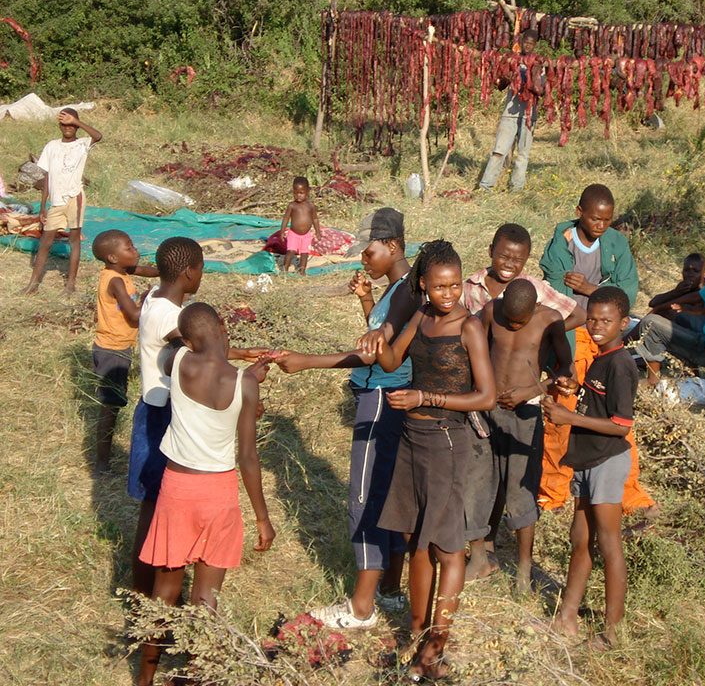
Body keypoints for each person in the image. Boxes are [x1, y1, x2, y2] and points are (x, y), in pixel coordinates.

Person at [275, 207, 418, 628]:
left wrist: (308, 361)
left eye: (368, 252)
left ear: (392, 247)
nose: (363, 260)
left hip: (379, 399)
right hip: (383, 395)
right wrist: (367, 303)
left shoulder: (408, 290)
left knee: (363, 498)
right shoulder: (399, 289)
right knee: (385, 493)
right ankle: (390, 591)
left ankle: (361, 607)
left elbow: (378, 354)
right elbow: (385, 335)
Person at [364, 239, 495, 682]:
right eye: (440, 286)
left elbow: (487, 396)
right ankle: (418, 636)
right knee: (414, 537)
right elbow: (388, 361)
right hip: (411, 437)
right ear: (423, 285)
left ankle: (436, 646)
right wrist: (371, 328)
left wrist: (427, 396)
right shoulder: (420, 315)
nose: (449, 294)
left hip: (447, 440)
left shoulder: (469, 328)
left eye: (455, 285)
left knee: (446, 545)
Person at [136, 303, 275, 686]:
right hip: (219, 494)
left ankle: (145, 677)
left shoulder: (179, 361)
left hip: (177, 489)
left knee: (164, 592)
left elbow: (171, 347)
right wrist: (262, 518)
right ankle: (196, 675)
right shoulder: (245, 383)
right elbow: (248, 457)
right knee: (205, 599)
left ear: (189, 339)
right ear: (222, 326)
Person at [129, 237, 267, 597]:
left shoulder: (153, 300)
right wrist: (245, 378)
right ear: (191, 272)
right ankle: (148, 602)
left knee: (158, 515)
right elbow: (207, 353)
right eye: (203, 267)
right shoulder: (172, 318)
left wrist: (242, 355)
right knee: (157, 521)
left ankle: (153, 603)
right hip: (166, 416)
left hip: (156, 408)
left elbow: (202, 349)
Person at [538, 184, 655, 516]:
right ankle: (552, 490)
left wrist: (591, 288)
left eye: (607, 219)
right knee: (561, 412)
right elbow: (559, 301)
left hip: (605, 339)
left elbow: (625, 294)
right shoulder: (560, 245)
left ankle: (628, 491)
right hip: (572, 336)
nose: (600, 225)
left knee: (615, 413)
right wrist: (565, 360)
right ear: (580, 212)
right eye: (594, 218)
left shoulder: (616, 243)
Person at [542, 287, 638, 647]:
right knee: (579, 538)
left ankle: (612, 632)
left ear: (624, 323)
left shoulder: (621, 364)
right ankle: (567, 617)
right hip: (586, 457)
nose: (596, 326)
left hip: (607, 460)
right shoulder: (601, 358)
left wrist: (568, 417)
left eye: (606, 321)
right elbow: (597, 405)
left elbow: (621, 425)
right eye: (592, 319)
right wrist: (573, 390)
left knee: (608, 542)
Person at [464, 280, 574, 589]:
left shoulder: (550, 320)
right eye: (508, 321)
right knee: (479, 482)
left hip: (525, 415)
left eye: (519, 322)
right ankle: (480, 557)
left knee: (521, 490)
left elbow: (566, 370)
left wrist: (530, 391)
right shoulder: (490, 311)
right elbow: (475, 351)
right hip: (487, 409)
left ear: (535, 308)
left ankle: (524, 570)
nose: (512, 326)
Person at [629, 232, 705, 398]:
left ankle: (651, 379)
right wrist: (667, 305)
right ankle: (697, 373)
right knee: (674, 316)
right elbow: (698, 296)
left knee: (651, 322)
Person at [90, 230, 159, 477]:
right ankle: (100, 465)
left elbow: (148, 271)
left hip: (119, 346)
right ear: (112, 257)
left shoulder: (122, 271)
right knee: (110, 407)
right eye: (129, 248)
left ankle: (102, 460)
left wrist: (167, 273)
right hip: (112, 350)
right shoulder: (115, 280)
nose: (135, 251)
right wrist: (150, 298)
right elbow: (133, 315)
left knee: (115, 403)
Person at [24, 108, 102, 294]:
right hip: (56, 200)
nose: (68, 128)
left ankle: (70, 284)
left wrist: (76, 121)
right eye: (64, 124)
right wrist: (43, 205)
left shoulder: (83, 143)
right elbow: (47, 178)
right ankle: (33, 284)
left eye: (71, 124)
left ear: (76, 125)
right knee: (45, 241)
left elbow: (98, 136)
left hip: (75, 197)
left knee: (74, 239)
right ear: (59, 126)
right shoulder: (51, 146)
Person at [462, 223, 585, 330]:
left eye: (518, 260)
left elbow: (579, 315)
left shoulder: (534, 288)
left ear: (526, 258)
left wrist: (543, 334)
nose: (509, 265)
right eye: (503, 257)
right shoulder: (472, 285)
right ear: (491, 251)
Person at [477, 29, 544, 192]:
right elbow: (500, 85)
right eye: (525, 42)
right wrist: (506, 78)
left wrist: (532, 79)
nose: (527, 45)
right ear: (521, 42)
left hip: (529, 115)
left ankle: (516, 188)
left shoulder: (540, 65)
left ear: (535, 45)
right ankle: (485, 187)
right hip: (509, 114)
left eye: (531, 43)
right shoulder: (512, 60)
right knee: (498, 151)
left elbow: (541, 90)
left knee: (523, 154)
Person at [648, 252, 705, 330]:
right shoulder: (685, 289)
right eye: (686, 270)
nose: (690, 274)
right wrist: (675, 292)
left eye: (695, 271)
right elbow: (653, 303)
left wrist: (659, 309)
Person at [279, 176, 321, 274]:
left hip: (306, 235)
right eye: (296, 193)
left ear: (308, 192)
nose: (298, 196)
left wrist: (318, 232)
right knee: (291, 251)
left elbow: (315, 219)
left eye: (301, 193)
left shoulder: (310, 206)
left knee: (305, 253)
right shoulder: (292, 205)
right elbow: (286, 218)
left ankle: (302, 270)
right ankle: (285, 269)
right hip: (293, 234)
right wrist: (282, 231)